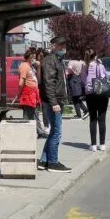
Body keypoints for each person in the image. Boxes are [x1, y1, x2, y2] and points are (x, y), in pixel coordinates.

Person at [38, 37, 71, 173]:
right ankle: (52, 162)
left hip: (55, 100)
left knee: (53, 131)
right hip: (53, 101)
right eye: (61, 45)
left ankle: (44, 160)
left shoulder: (57, 60)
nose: (64, 48)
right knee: (56, 132)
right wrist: (54, 103)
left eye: (64, 45)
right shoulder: (50, 60)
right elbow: (49, 83)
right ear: (54, 46)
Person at [83, 48, 110, 151]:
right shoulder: (101, 65)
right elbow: (106, 77)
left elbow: (83, 80)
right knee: (102, 119)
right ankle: (102, 144)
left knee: (93, 119)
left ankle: (93, 145)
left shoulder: (85, 67)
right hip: (102, 94)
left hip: (90, 95)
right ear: (95, 56)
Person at [17, 48, 41, 122]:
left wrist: (39, 67)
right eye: (33, 57)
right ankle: (31, 131)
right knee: (28, 115)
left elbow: (38, 79)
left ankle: (37, 130)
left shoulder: (30, 66)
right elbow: (21, 82)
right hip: (28, 94)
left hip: (33, 93)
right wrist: (19, 94)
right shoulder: (24, 66)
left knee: (34, 114)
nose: (35, 58)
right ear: (30, 56)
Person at [33, 49, 50, 138]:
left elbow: (39, 79)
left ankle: (46, 126)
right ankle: (45, 126)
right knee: (43, 107)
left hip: (41, 87)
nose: (39, 56)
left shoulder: (41, 64)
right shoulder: (38, 63)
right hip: (40, 87)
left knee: (44, 107)